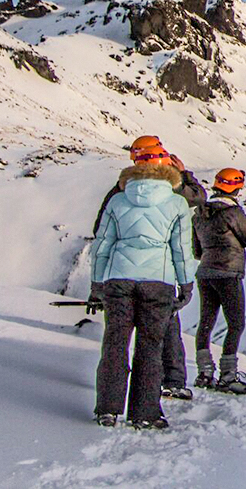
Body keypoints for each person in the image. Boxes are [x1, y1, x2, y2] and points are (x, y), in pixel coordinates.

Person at [90, 135, 207, 401]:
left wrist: (97, 282)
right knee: (153, 345)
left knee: (115, 344)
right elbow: (184, 237)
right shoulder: (175, 196)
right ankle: (158, 395)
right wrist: (185, 284)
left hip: (119, 279)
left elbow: (101, 238)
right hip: (159, 280)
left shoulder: (119, 194)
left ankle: (108, 406)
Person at [192, 167, 246, 394]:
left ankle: (204, 372)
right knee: (236, 323)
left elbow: (196, 251)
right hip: (228, 273)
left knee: (206, 322)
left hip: (205, 272)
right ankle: (228, 375)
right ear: (236, 187)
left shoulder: (200, 214)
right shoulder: (233, 212)